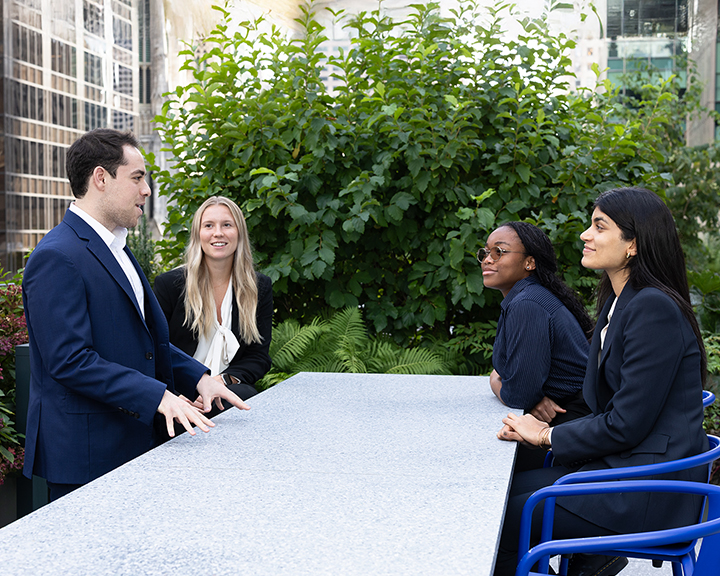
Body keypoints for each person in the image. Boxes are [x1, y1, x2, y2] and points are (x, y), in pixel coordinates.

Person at [21, 129, 249, 502]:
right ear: (100, 178)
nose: (146, 190)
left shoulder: (117, 247)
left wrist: (200, 378)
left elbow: (142, 340)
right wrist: (159, 396)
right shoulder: (56, 256)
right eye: (137, 178)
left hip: (132, 444)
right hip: (87, 459)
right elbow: (70, 361)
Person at [493, 187, 709, 576]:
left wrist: (545, 435)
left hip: (648, 490)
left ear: (633, 245)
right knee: (499, 495)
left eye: (599, 226)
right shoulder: (617, 302)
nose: (585, 234)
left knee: (505, 520)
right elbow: (605, 406)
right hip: (621, 469)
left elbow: (625, 423)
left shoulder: (653, 308)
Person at [480, 222, 593, 471]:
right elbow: (524, 390)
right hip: (561, 419)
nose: (487, 259)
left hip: (568, 429)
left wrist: (495, 381)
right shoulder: (526, 297)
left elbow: (519, 394)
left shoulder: (528, 304)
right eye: (485, 252)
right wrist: (531, 396)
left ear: (529, 263)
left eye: (499, 252)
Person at [154, 196, 272, 411]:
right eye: (208, 225)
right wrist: (179, 394)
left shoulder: (258, 287)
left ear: (239, 233)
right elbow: (157, 349)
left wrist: (221, 381)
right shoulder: (170, 285)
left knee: (243, 396)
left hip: (228, 390)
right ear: (197, 234)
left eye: (227, 225)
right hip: (181, 396)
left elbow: (258, 357)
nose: (218, 233)